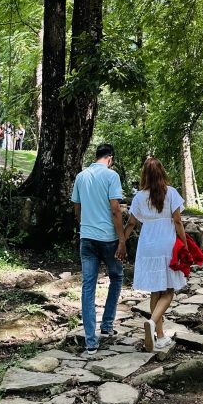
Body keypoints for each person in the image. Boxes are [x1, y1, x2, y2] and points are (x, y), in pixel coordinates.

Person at [120, 157, 189, 352]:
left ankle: (159, 336)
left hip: (147, 246)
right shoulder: (172, 193)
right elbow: (177, 222)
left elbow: (132, 223)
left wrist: (122, 242)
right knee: (168, 291)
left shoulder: (140, 197)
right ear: (162, 173)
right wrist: (184, 244)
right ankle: (152, 323)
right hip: (166, 245)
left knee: (155, 291)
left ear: (145, 175)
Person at [71, 143, 126, 358]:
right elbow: (115, 209)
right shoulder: (112, 176)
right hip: (108, 238)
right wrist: (122, 240)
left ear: (97, 156)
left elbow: (77, 206)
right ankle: (107, 324)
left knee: (88, 287)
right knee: (117, 277)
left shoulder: (81, 176)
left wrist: (83, 224)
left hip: (87, 238)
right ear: (110, 158)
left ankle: (91, 342)